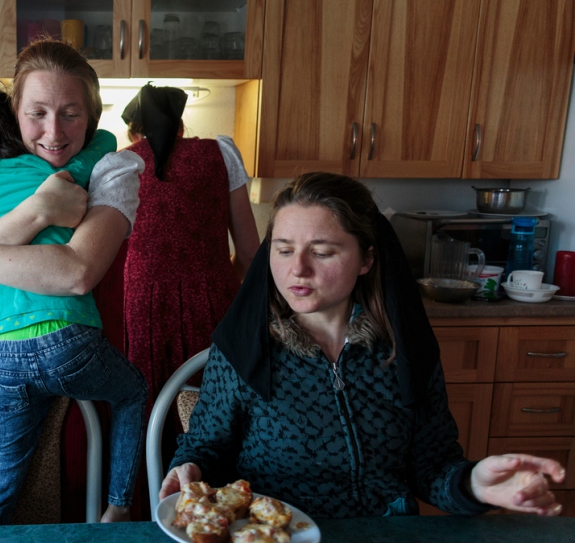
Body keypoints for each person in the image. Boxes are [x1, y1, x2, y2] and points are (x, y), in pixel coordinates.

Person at [160, 172, 567, 517]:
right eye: (283, 250)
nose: (297, 269)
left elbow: (433, 467)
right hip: (274, 532)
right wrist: (187, 468)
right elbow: (205, 447)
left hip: (386, 531)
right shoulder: (243, 349)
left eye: (322, 252)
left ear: (366, 259)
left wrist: (475, 483)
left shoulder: (403, 349)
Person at [0, 38, 148, 526]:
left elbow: (77, 271)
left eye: (71, 113)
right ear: (14, 115)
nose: (53, 131)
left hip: (35, 361)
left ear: (91, 117)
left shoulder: (112, 169)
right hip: (73, 352)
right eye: (37, 113)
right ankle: (118, 505)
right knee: (29, 497)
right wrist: (39, 209)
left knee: (31, 488)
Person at [117, 83, 260, 405]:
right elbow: (251, 254)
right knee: (212, 406)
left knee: (146, 404)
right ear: (181, 125)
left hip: (139, 307)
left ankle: (150, 457)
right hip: (214, 305)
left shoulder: (120, 164)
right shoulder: (221, 153)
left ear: (132, 132)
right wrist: (217, 278)